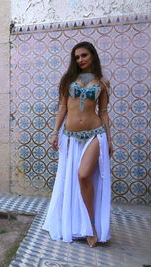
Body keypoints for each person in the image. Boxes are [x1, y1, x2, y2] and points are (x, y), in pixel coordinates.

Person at [42, 41, 113, 247]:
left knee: (83, 175)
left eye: (84, 55)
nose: (80, 60)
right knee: (75, 180)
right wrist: (55, 133)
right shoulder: (68, 80)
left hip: (95, 134)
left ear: (93, 56)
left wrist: (109, 139)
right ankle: (81, 224)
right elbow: (63, 107)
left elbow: (104, 112)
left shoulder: (102, 82)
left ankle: (91, 227)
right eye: (77, 57)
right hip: (71, 136)